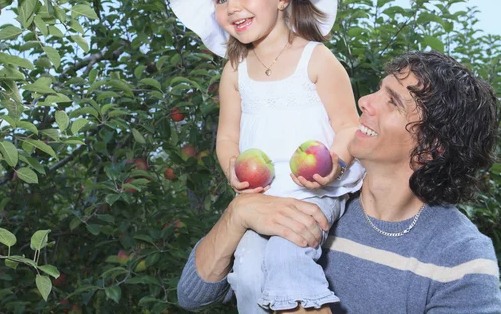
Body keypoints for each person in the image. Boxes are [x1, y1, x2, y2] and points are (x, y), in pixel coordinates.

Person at [177, 50, 501, 313]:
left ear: (432, 148)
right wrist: (236, 216)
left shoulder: (461, 257)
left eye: (392, 102)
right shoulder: (321, 196)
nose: (365, 101)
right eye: (379, 89)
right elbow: (193, 296)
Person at [170, 0, 364, 312]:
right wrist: (232, 170)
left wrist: (336, 163)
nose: (232, 7)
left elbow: (349, 127)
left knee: (285, 258)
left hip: (315, 191)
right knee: (247, 269)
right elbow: (227, 137)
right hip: (263, 197)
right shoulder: (234, 70)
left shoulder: (317, 59)